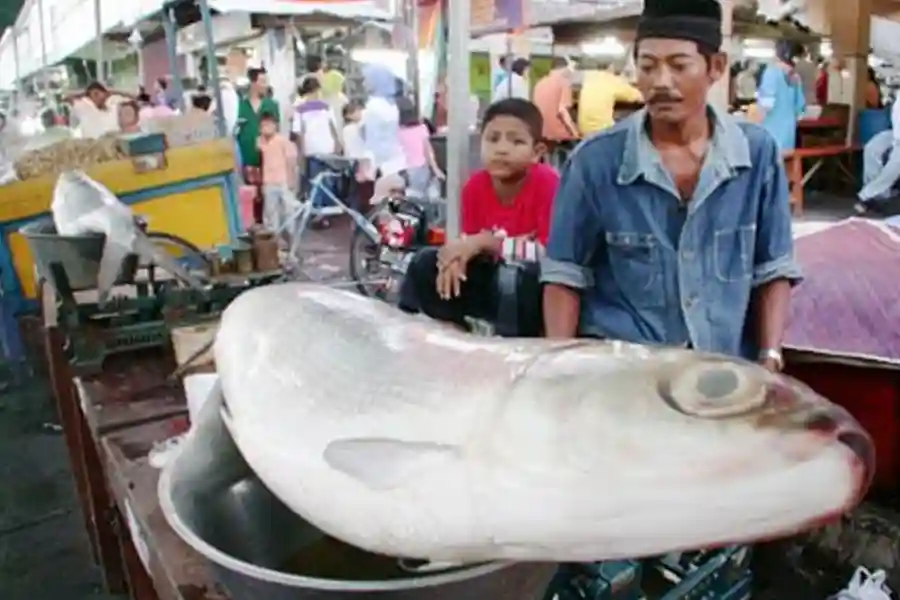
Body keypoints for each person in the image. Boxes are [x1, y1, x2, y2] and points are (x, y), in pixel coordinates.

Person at [541, 0, 801, 369]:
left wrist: (770, 355)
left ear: (716, 67)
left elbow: (773, 268)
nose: (661, 82)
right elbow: (564, 275)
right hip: (623, 376)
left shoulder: (756, 155)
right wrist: (560, 371)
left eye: (679, 66)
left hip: (720, 375)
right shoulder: (595, 161)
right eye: (647, 66)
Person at [398, 98, 559, 336]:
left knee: (516, 276)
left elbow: (547, 252)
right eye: (493, 139)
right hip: (492, 276)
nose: (502, 148)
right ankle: (445, 333)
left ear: (537, 152)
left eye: (516, 141)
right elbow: (470, 246)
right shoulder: (474, 187)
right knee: (427, 261)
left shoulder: (549, 183)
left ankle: (514, 347)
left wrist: (486, 242)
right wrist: (455, 258)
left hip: (532, 291)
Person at [293, 76, 341, 225]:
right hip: (326, 149)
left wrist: (300, 153)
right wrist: (338, 145)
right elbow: (333, 127)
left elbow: (299, 133)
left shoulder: (300, 109)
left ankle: (320, 212)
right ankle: (324, 212)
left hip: (313, 150)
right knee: (326, 181)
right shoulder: (326, 107)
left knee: (316, 181)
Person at [361, 64, 408, 202]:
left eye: (367, 79)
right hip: (397, 162)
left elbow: (371, 138)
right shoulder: (392, 105)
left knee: (382, 208)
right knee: (396, 207)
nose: (364, 83)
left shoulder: (373, 106)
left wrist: (366, 164)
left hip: (382, 165)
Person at [756, 40, 806, 152]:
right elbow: (800, 111)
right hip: (788, 133)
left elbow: (766, 105)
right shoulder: (796, 77)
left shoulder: (771, 73)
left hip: (770, 131)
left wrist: (756, 126)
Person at [256, 111, 300, 239]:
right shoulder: (261, 142)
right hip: (269, 181)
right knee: (270, 213)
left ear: (276, 126)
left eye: (269, 125)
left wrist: (291, 179)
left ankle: (291, 240)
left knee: (288, 211)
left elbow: (291, 160)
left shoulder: (283, 141)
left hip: (284, 181)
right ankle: (274, 241)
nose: (266, 128)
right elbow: (258, 147)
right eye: (263, 126)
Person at [855, 95, 900, 215]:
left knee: (897, 159)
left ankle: (867, 196)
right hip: (895, 133)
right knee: (872, 148)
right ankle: (880, 196)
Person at [236, 67, 280, 186]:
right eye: (263, 82)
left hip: (269, 162)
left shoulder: (272, 105)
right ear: (253, 83)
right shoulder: (239, 106)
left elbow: (277, 131)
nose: (265, 86)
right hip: (247, 161)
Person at [577, 60, 644, 136]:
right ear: (611, 67)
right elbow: (640, 97)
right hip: (602, 132)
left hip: (584, 132)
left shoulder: (589, 79)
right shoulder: (612, 81)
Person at [397, 97, 444, 197]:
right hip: (422, 168)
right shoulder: (421, 128)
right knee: (423, 196)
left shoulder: (396, 132)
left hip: (404, 171)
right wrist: (435, 169)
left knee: (411, 198)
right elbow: (428, 150)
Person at [532, 56, 580, 147]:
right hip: (559, 135)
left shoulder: (540, 83)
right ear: (564, 68)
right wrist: (575, 133)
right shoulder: (564, 82)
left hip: (542, 132)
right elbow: (562, 111)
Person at [64, 81, 133, 138]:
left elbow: (134, 97)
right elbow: (66, 97)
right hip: (94, 148)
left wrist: (112, 91)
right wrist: (84, 93)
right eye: (93, 94)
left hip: (113, 145)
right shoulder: (83, 107)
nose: (96, 96)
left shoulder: (113, 105)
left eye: (97, 93)